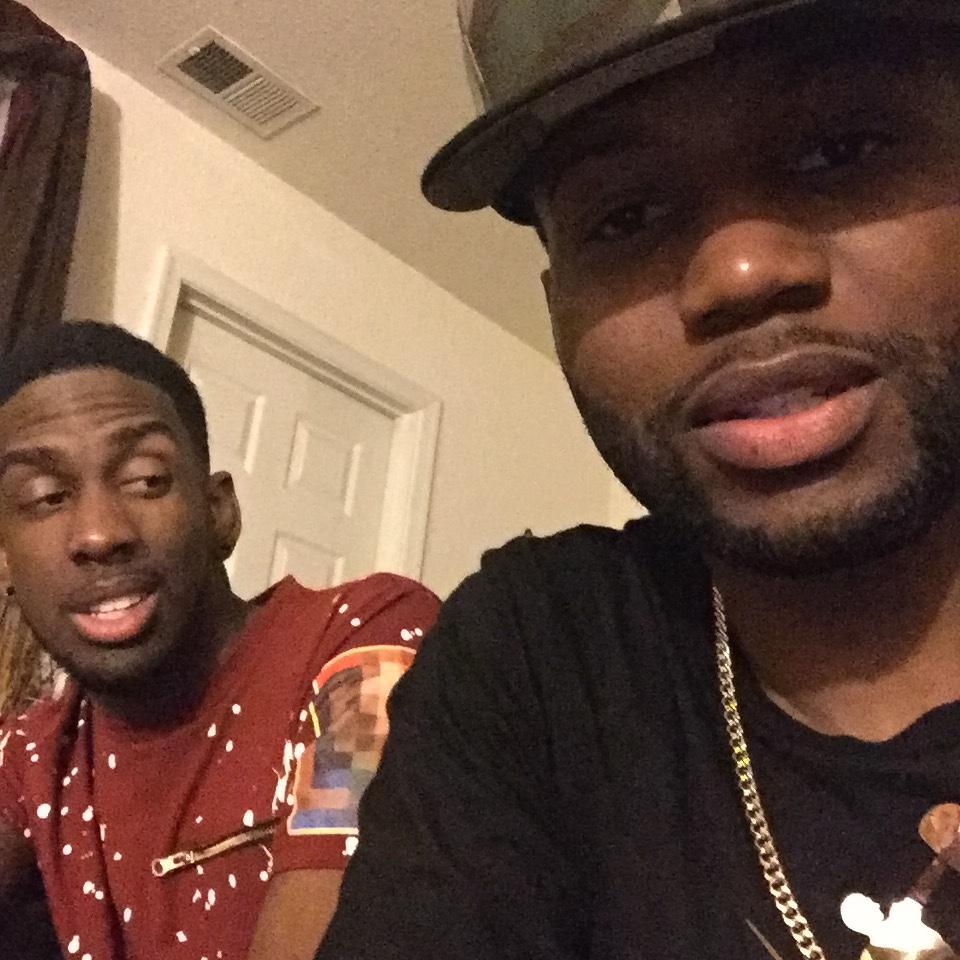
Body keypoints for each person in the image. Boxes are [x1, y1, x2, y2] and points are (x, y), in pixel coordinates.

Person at [316, 2, 960, 958]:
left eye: (840, 150)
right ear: (557, 310)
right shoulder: (537, 653)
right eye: (625, 217)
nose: (741, 271)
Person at [0, 321, 438, 959]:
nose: (98, 533)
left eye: (146, 480)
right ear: (5, 562)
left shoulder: (364, 639)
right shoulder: (31, 755)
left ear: (219, 513)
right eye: (45, 497)